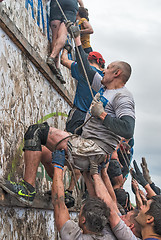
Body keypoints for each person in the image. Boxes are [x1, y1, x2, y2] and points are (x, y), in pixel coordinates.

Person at [0, 32, 135, 206]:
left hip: (93, 149)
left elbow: (127, 129)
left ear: (117, 73)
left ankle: (27, 190)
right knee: (45, 153)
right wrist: (77, 38)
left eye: (108, 68)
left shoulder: (123, 97)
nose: (104, 70)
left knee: (37, 131)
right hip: (86, 145)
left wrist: (102, 115)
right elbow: (85, 69)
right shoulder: (104, 86)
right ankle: (63, 194)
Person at [51, 155, 115, 240]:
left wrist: (58, 165)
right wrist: (86, 174)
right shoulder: (110, 236)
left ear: (83, 220)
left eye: (80, 212)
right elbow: (58, 202)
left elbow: (59, 203)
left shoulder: (73, 236)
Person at [46, 0, 84, 83]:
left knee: (55, 37)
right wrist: (81, 8)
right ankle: (52, 58)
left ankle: (56, 65)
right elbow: (80, 3)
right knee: (62, 35)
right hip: (71, 5)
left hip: (57, 3)